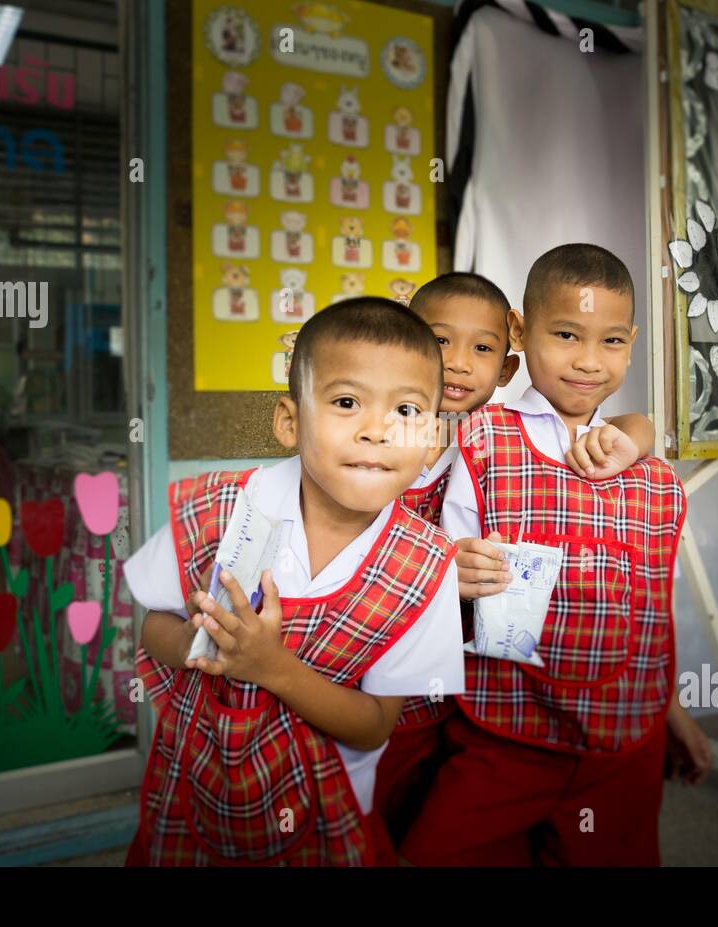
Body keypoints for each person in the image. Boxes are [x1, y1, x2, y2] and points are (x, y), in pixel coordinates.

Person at [122, 297, 463, 866]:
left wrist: (270, 667)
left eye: (406, 411)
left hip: (330, 814)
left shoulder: (424, 566)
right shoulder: (219, 509)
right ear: (290, 420)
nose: (378, 432)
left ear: (431, 440)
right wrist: (200, 646)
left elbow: (374, 726)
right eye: (347, 402)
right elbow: (153, 621)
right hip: (196, 788)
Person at [402, 244, 712, 866]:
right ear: (522, 330)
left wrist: (668, 709)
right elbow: (443, 556)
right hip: (502, 730)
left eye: (611, 342)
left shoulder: (649, 475)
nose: (588, 362)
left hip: (622, 745)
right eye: (567, 335)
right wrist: (448, 568)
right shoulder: (484, 438)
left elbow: (644, 609)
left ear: (632, 341)